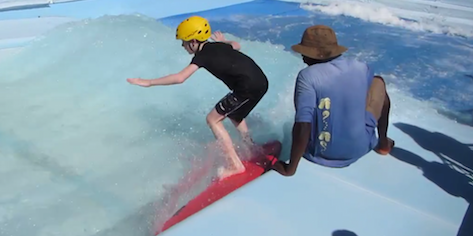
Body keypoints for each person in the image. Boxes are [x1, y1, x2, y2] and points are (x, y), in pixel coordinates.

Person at [127, 16, 269, 180]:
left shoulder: (201, 57)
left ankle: (235, 165)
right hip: (261, 81)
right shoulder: (217, 46)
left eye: (184, 41)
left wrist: (149, 82)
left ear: (193, 41)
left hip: (246, 88)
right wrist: (224, 41)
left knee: (212, 120)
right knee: (235, 114)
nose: (182, 45)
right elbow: (236, 45)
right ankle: (250, 146)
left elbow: (180, 78)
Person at [272, 25, 395, 177]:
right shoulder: (362, 67)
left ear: (315, 54)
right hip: (360, 148)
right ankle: (383, 144)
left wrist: (290, 168)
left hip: (318, 154)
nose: (302, 56)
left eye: (305, 52)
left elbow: (303, 123)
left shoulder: (307, 76)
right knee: (378, 83)